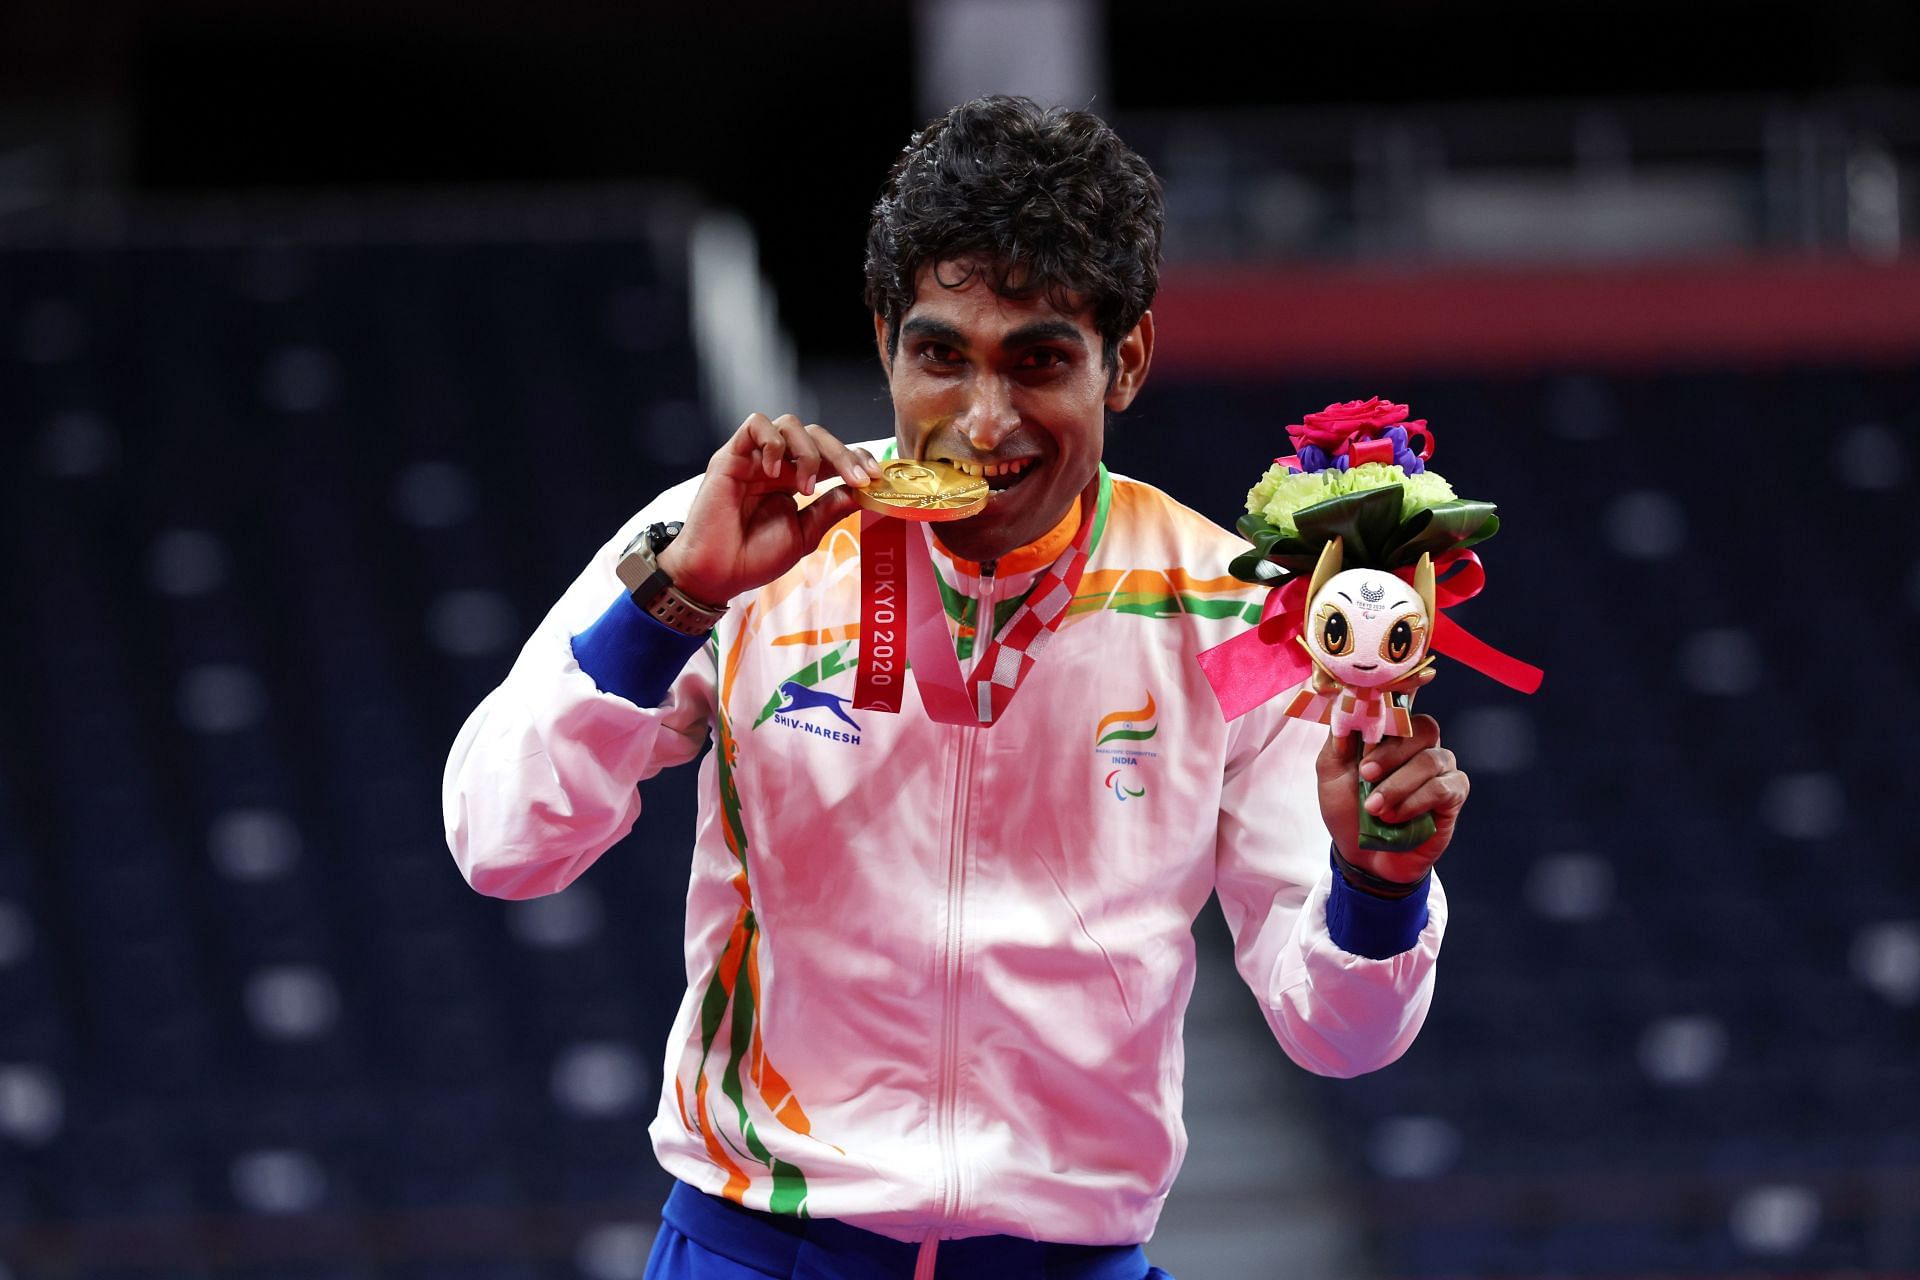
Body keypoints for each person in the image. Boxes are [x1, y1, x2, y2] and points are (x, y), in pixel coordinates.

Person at [444, 96, 1469, 1280]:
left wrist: (1378, 885)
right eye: (941, 355)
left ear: (1123, 359)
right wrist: (673, 600)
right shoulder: (734, 537)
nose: (983, 424)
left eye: (1039, 359)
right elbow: (502, 839)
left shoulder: (1233, 611)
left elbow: (1339, 1034)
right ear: (885, 339)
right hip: (758, 1245)